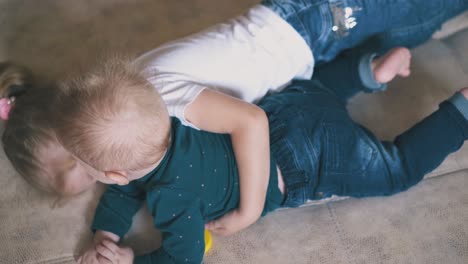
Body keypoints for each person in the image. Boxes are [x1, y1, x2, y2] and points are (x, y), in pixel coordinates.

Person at [53, 0, 468, 241]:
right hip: (296, 71)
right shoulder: (142, 110)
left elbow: (251, 123)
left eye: (87, 170)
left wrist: (248, 211)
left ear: (115, 172)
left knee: (396, 170)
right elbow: (125, 193)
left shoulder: (167, 113)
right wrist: (106, 232)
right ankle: (371, 70)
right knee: (413, 23)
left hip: (308, 35)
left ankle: (457, 107)